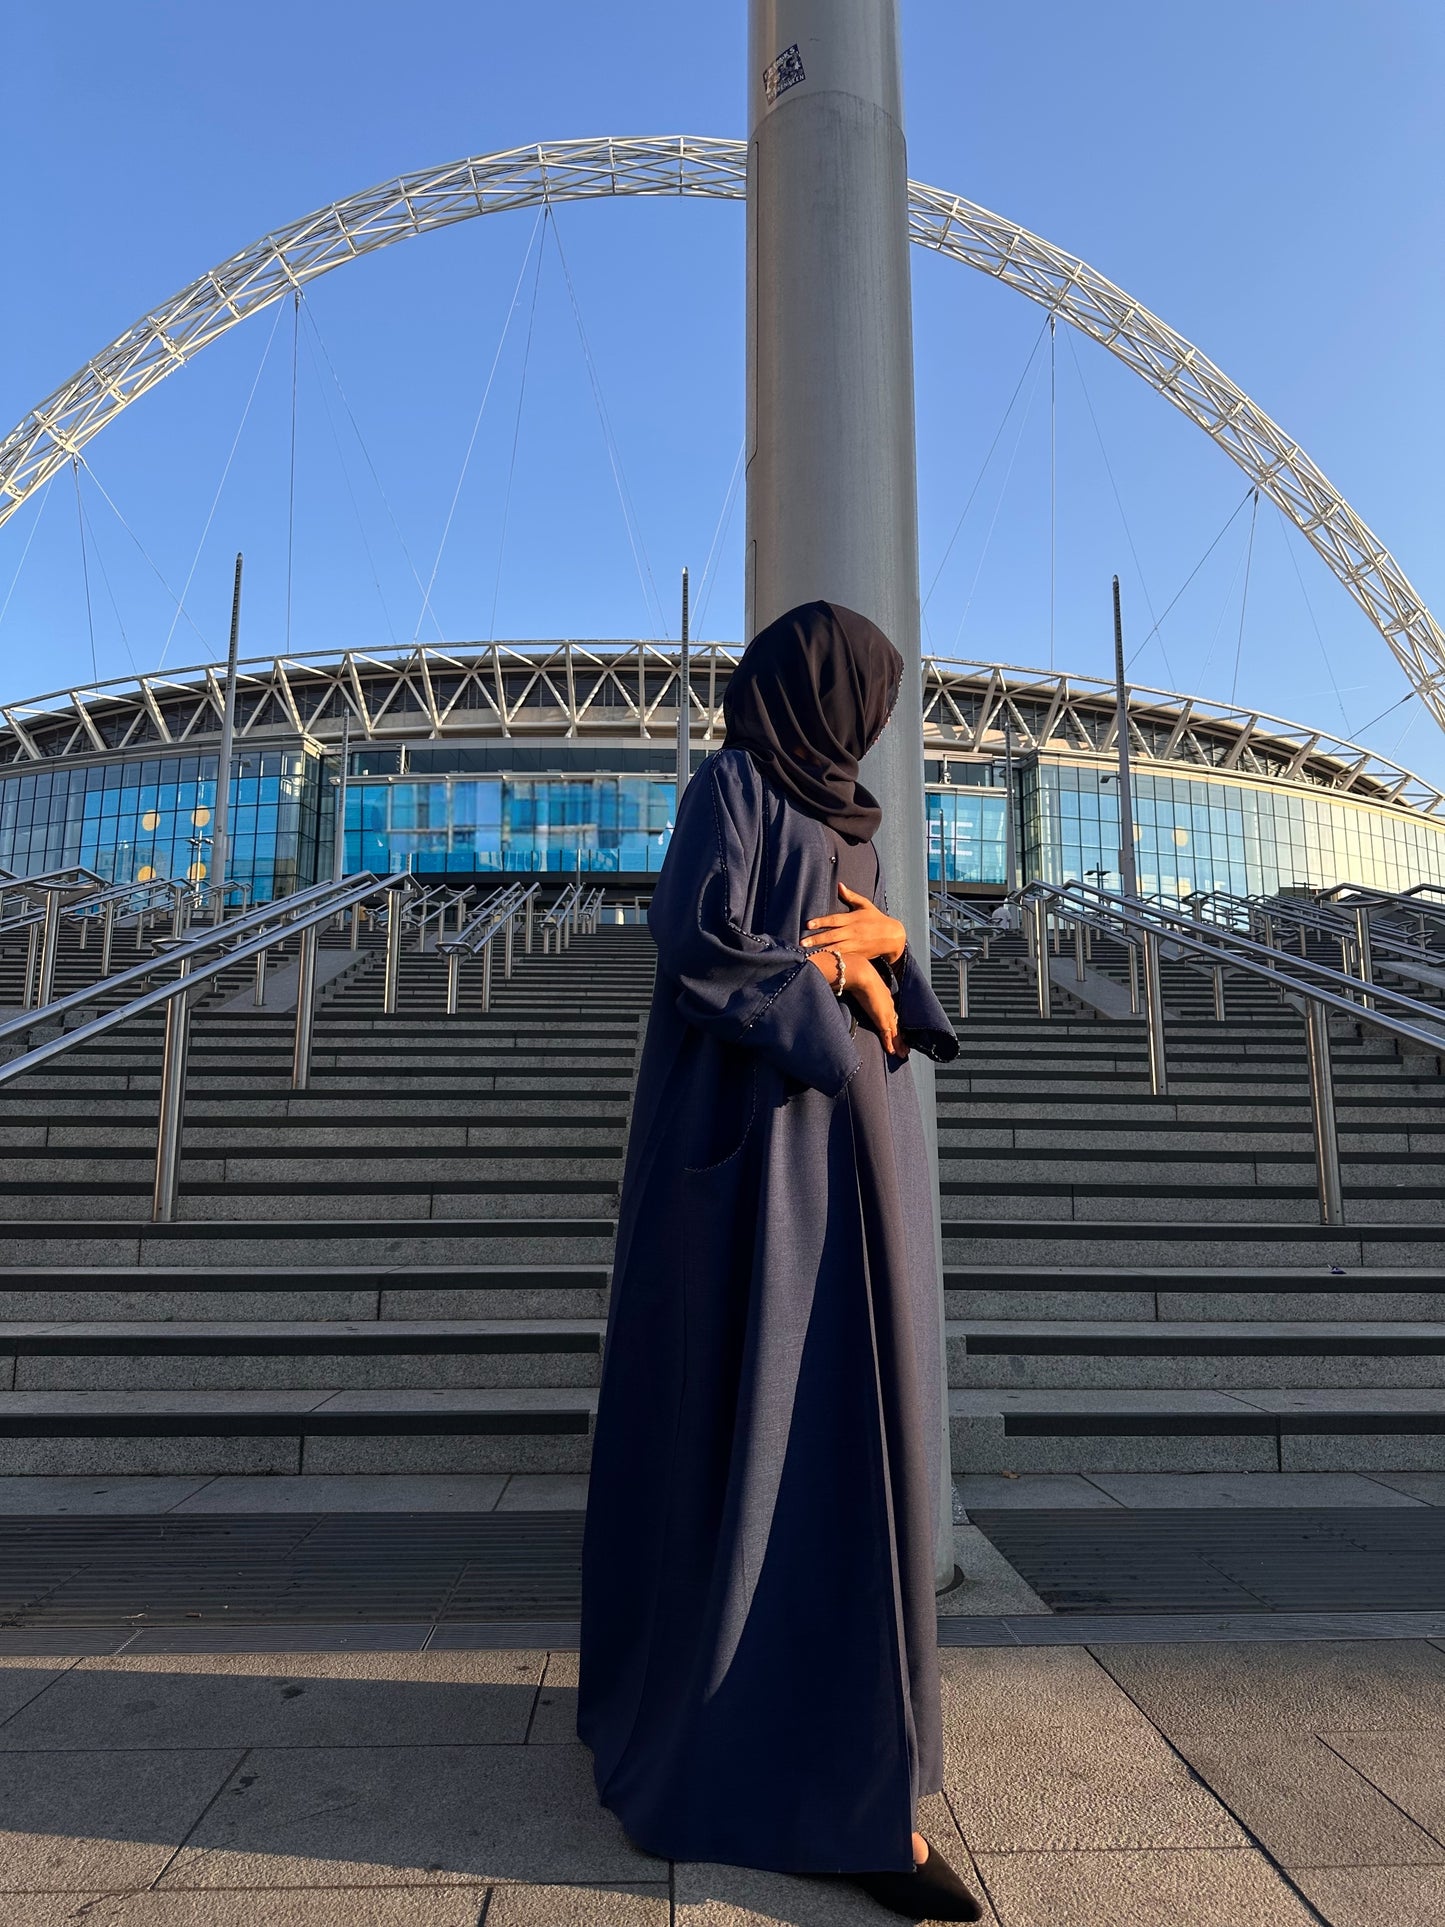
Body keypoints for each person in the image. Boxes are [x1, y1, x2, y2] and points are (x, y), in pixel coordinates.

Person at [578, 601, 982, 1923]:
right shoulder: (735, 784)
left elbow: (862, 949)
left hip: (848, 1166)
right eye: (862, 693)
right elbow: (701, 945)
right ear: (816, 691)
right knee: (785, 1443)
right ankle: (810, 1787)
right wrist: (846, 1013)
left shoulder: (841, 815)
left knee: (850, 1446)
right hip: (760, 1168)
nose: (870, 718)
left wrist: (893, 962)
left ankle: (854, 1764)